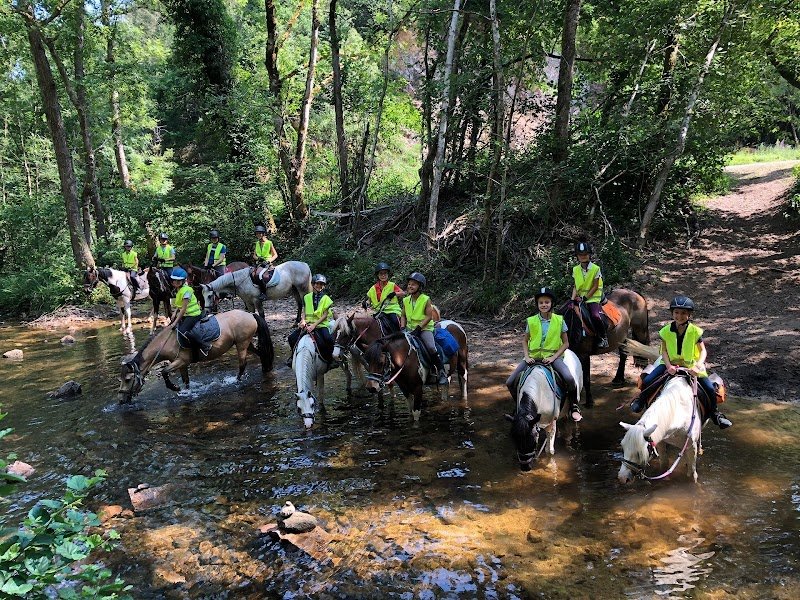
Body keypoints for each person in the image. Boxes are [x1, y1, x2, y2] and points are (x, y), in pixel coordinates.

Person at [630, 296, 732, 429]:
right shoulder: (665, 331)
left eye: (684, 313)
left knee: (709, 388)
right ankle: (641, 401)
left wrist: (698, 366)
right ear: (672, 313)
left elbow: (703, 351)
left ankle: (715, 414)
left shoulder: (695, 331)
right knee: (648, 380)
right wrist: (668, 366)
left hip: (692, 365)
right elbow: (664, 351)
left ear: (689, 314)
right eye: (676, 312)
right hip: (669, 363)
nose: (680, 316)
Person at [505, 287, 582, 422]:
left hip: (553, 357)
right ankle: (520, 408)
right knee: (510, 382)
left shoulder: (559, 320)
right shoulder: (531, 321)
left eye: (547, 302)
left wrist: (553, 357)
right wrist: (527, 357)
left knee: (569, 378)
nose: (544, 305)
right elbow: (525, 340)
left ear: (552, 303)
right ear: (537, 304)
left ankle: (574, 406)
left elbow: (566, 343)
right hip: (533, 357)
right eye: (541, 302)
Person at [400, 272, 448, 385]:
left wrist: (419, 328)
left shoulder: (426, 299)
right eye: (409, 284)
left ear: (420, 287)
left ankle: (441, 371)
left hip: (424, 329)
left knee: (431, 347)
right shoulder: (406, 300)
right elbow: (403, 315)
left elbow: (429, 316)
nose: (410, 286)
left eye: (413, 284)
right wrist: (402, 327)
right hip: (410, 329)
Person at [289, 274, 335, 362]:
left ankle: (330, 360)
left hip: (321, 324)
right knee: (291, 338)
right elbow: (305, 311)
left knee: (328, 339)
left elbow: (325, 315)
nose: (319, 286)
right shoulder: (306, 297)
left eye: (321, 284)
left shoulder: (326, 299)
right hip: (307, 323)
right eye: (317, 284)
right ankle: (292, 357)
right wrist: (303, 320)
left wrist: (314, 325)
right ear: (313, 284)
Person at [571, 241, 608, 348]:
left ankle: (603, 337)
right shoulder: (575, 269)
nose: (583, 256)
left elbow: (595, 286)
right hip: (580, 298)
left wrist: (585, 297)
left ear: (589, 254)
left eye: (585, 254)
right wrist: (572, 299)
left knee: (595, 315)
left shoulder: (596, 268)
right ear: (577, 256)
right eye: (580, 254)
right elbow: (575, 286)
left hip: (593, 297)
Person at [168, 266, 209, 356]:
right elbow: (179, 305)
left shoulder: (186, 291)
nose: (176, 282)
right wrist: (174, 312)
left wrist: (175, 322)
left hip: (193, 314)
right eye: (174, 280)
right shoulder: (178, 290)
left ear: (183, 281)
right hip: (186, 314)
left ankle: (204, 345)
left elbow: (183, 309)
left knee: (183, 331)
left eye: (178, 281)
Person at [363, 262, 405, 332]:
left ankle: (400, 334)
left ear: (388, 274)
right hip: (379, 311)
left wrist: (395, 293)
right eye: (381, 274)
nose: (383, 275)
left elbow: (403, 293)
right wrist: (366, 303)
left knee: (395, 321)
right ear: (378, 275)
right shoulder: (373, 288)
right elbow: (369, 300)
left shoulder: (392, 285)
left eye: (385, 273)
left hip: (392, 310)